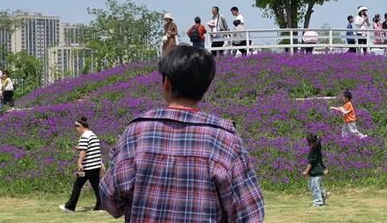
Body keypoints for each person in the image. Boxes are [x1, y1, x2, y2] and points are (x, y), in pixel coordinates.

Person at [100, 45, 264, 222]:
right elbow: (250, 214)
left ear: (167, 83)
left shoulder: (136, 133)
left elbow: (110, 201)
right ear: (205, 86)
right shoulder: (225, 140)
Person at [60, 116, 103, 213]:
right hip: (95, 166)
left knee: (77, 185)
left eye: (77, 126)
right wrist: (79, 147)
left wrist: (79, 162)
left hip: (87, 167)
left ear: (82, 126)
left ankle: (69, 207)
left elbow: (84, 151)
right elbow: (91, 148)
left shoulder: (84, 136)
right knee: (96, 187)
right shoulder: (92, 135)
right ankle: (100, 206)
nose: (75, 128)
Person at [301, 133, 329, 207]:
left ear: (312, 143)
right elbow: (320, 161)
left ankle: (318, 202)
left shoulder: (313, 152)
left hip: (315, 173)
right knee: (315, 186)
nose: (308, 144)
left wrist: (306, 171)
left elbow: (311, 163)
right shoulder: (318, 150)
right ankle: (324, 194)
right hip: (319, 172)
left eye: (309, 143)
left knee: (314, 188)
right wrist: (325, 168)